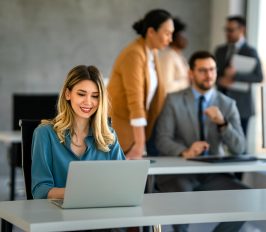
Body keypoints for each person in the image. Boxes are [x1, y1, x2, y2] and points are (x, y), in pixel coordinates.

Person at [155, 51, 247, 232]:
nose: (209, 75)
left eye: (212, 70)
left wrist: (223, 124)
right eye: (203, 70)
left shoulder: (227, 104)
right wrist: (185, 151)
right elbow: (162, 139)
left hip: (213, 174)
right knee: (182, 205)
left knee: (247, 199)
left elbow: (239, 148)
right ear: (191, 73)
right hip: (180, 172)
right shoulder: (173, 100)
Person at [31, 65, 126, 199]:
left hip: (102, 213)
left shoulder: (108, 136)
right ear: (68, 94)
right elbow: (40, 190)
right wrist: (82, 193)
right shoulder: (45, 134)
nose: (88, 102)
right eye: (81, 94)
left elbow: (124, 182)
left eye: (95, 96)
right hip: (58, 215)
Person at [107, 9, 174, 158]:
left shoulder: (152, 52)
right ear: (151, 32)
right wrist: (140, 143)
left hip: (136, 131)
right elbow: (135, 100)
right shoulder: (134, 54)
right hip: (122, 133)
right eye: (167, 33)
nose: (171, 39)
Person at [215, 16, 263, 136]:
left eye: (231, 30)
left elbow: (259, 77)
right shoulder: (220, 50)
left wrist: (236, 75)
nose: (227, 33)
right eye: (226, 29)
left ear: (242, 30)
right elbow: (213, 73)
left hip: (242, 107)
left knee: (239, 145)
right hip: (221, 104)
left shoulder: (250, 51)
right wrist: (219, 80)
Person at [159, 17, 190, 93]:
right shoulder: (168, 56)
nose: (185, 38)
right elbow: (167, 87)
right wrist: (187, 81)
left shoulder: (178, 56)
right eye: (181, 35)